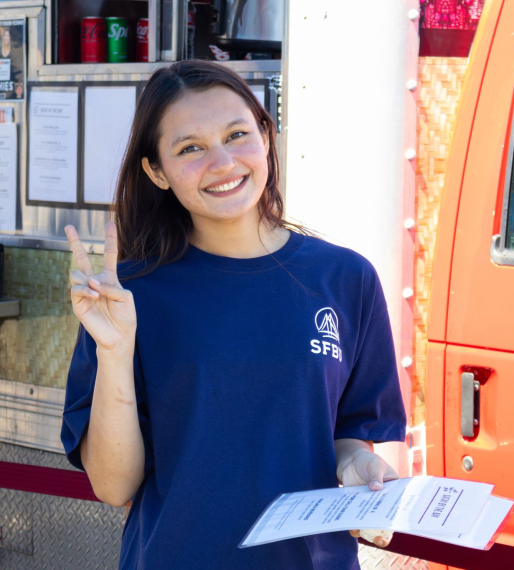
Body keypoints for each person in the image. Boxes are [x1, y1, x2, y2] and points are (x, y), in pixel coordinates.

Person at [61, 60, 407, 569]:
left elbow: (347, 434)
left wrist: (357, 464)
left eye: (237, 134)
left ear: (266, 136)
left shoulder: (345, 278)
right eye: (190, 148)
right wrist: (114, 352)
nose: (223, 162)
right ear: (156, 171)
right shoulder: (128, 297)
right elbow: (114, 487)